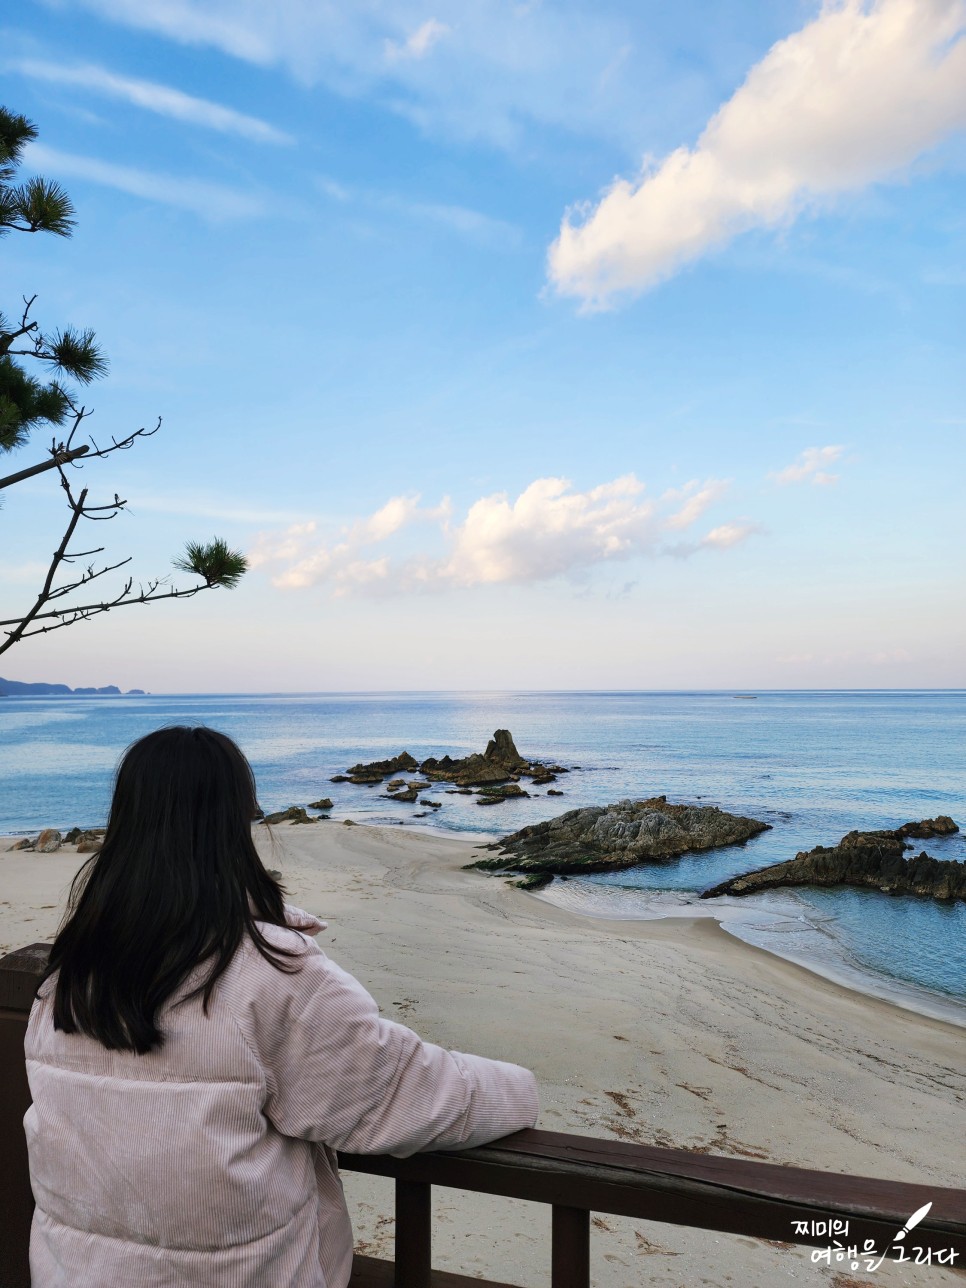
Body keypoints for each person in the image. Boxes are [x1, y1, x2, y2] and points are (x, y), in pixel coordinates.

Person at [24, 726, 538, 1287]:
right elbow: (397, 1096)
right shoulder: (266, 972)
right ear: (237, 819)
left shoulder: (71, 973)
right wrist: (523, 1091)